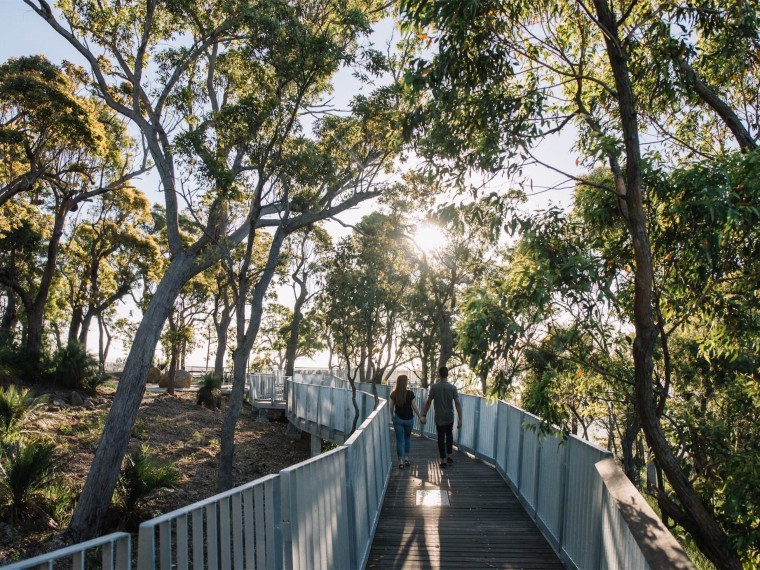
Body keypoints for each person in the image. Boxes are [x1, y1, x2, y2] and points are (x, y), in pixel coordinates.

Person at [421, 366, 462, 468]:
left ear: (439, 374)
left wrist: (424, 414)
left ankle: (443, 460)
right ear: (447, 375)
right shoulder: (453, 388)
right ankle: (450, 455)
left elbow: (428, 401)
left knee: (440, 437)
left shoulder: (434, 387)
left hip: (439, 417)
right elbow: (457, 403)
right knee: (449, 436)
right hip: (449, 416)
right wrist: (460, 418)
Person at [389, 374, 423, 470]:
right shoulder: (410, 393)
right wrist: (420, 416)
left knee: (399, 441)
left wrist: (392, 416)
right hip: (409, 420)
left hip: (398, 419)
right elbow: (414, 406)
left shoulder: (394, 394)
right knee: (407, 439)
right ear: (406, 382)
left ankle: (400, 462)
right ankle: (407, 459)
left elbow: (391, 406)